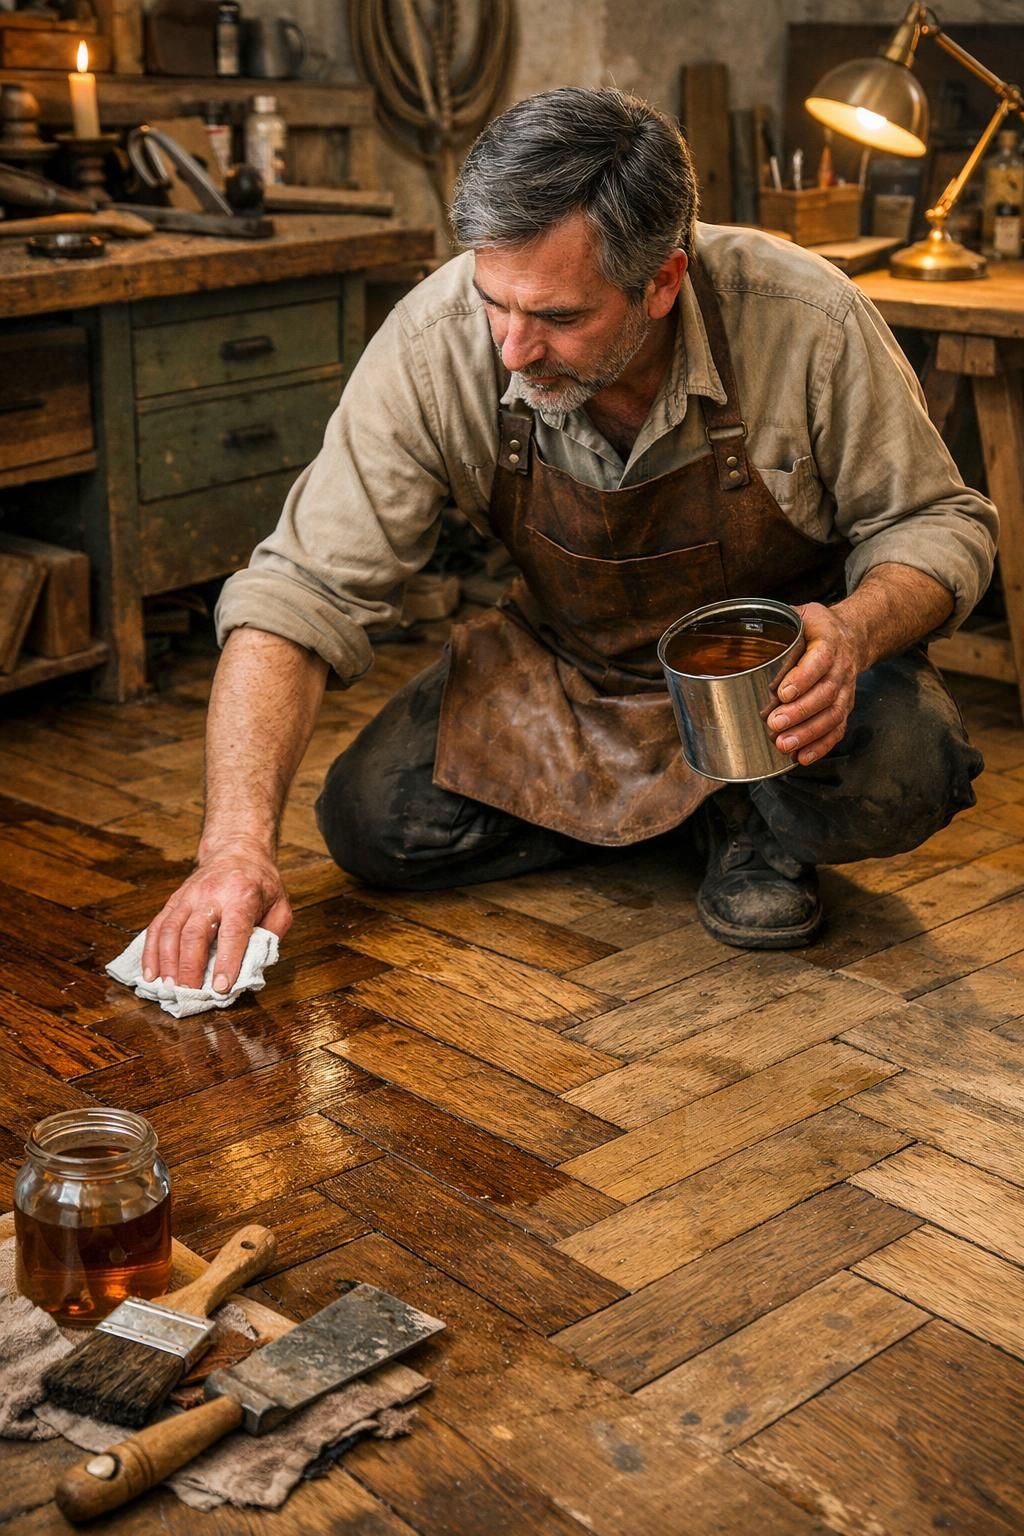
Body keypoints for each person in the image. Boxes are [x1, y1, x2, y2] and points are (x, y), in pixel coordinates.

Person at [141, 85, 997, 993]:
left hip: (773, 693)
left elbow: (942, 522)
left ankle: (744, 807)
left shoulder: (804, 318)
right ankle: (705, 820)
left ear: (661, 281)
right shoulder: (437, 341)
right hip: (569, 669)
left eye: (556, 318)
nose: (512, 348)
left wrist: (856, 633)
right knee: (369, 822)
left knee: (911, 767)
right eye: (493, 302)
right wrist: (233, 848)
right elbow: (297, 594)